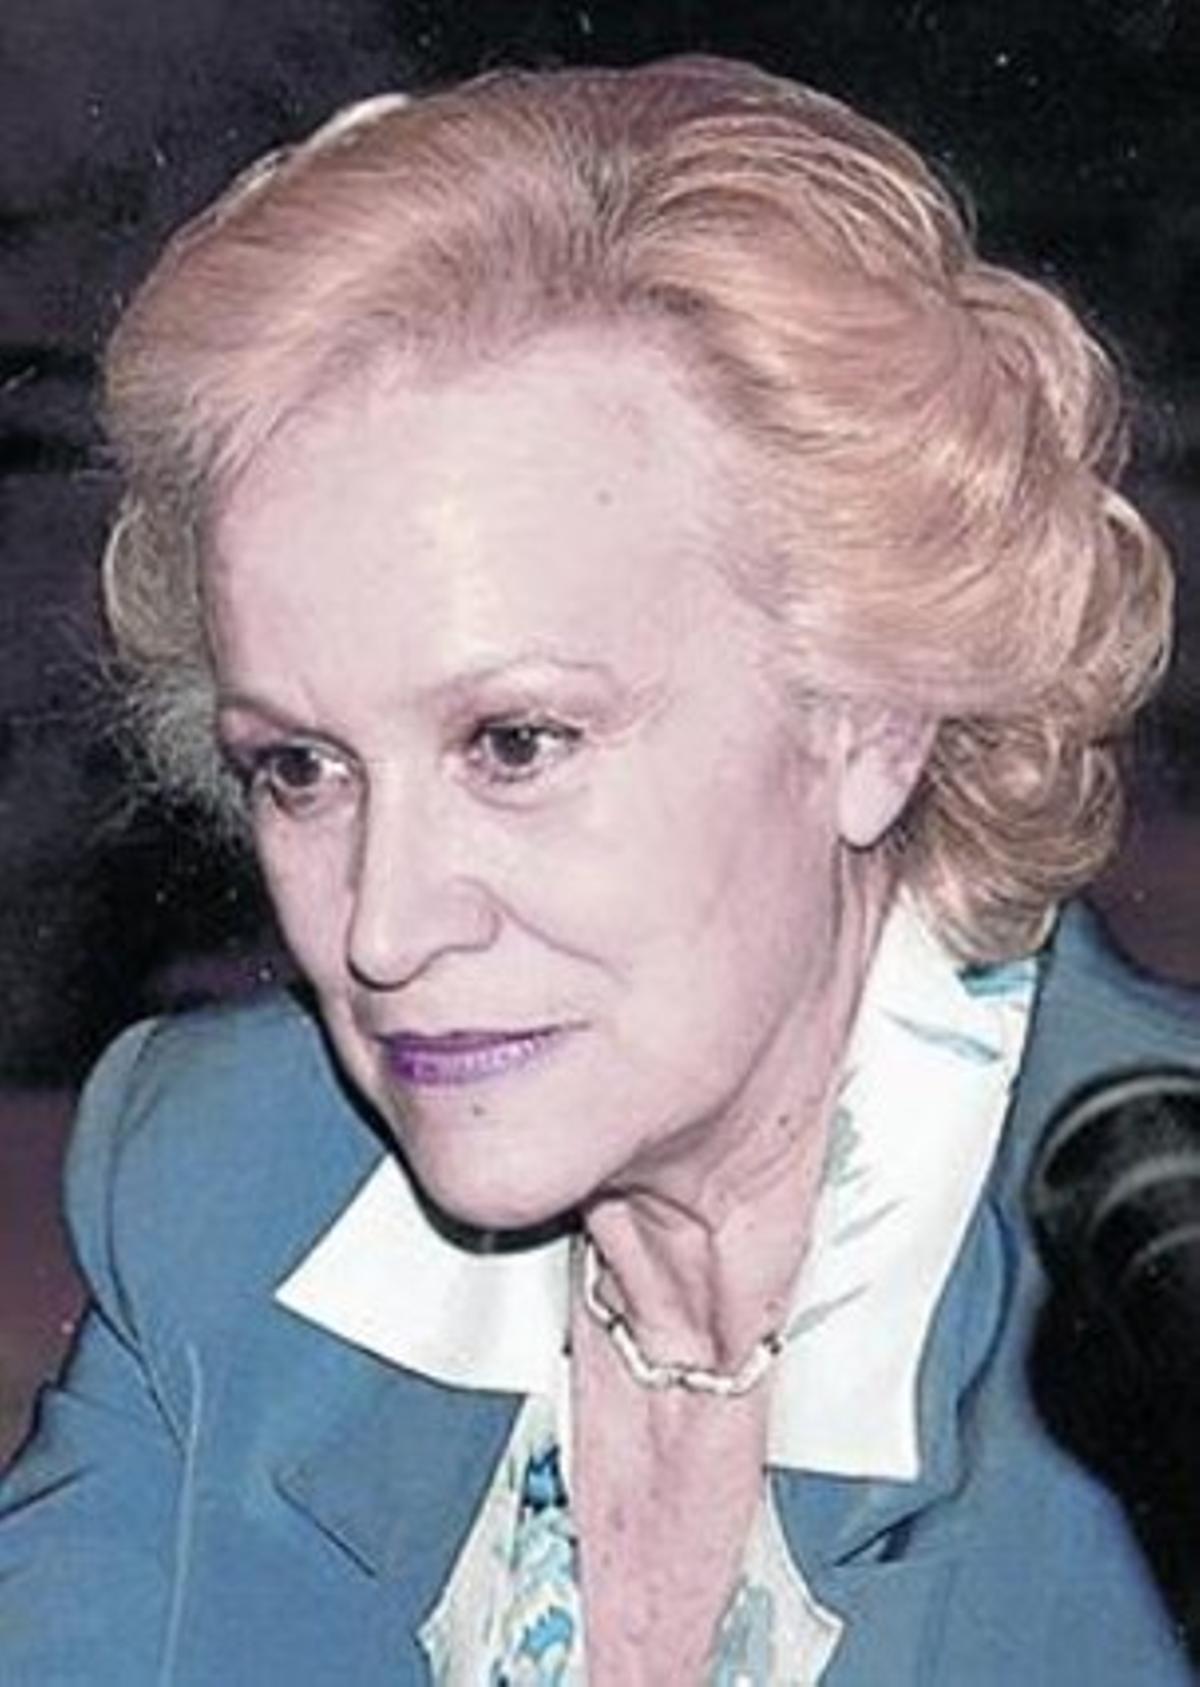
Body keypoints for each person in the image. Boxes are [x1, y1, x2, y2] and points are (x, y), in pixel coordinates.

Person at [0, 54, 1195, 1685]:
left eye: (516, 743)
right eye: (302, 768)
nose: (381, 929)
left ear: (870, 713)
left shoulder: (1155, 1318)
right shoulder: (229, 1188)